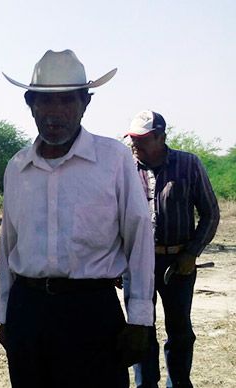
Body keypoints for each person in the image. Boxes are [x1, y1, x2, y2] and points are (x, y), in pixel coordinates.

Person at [0, 49, 155, 387]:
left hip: (91, 313)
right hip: (28, 310)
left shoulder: (113, 160)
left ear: (85, 103)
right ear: (30, 104)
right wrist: (6, 313)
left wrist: (140, 319)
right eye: (45, 102)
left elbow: (139, 237)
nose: (55, 113)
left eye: (67, 102)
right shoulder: (17, 167)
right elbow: (8, 246)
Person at [125, 110, 220, 388]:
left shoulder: (189, 164)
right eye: (131, 138)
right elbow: (113, 218)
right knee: (141, 328)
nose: (135, 144)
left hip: (178, 264)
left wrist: (192, 253)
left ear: (161, 137)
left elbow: (211, 213)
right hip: (137, 264)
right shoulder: (126, 168)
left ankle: (178, 383)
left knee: (179, 331)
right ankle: (146, 385)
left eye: (141, 139)